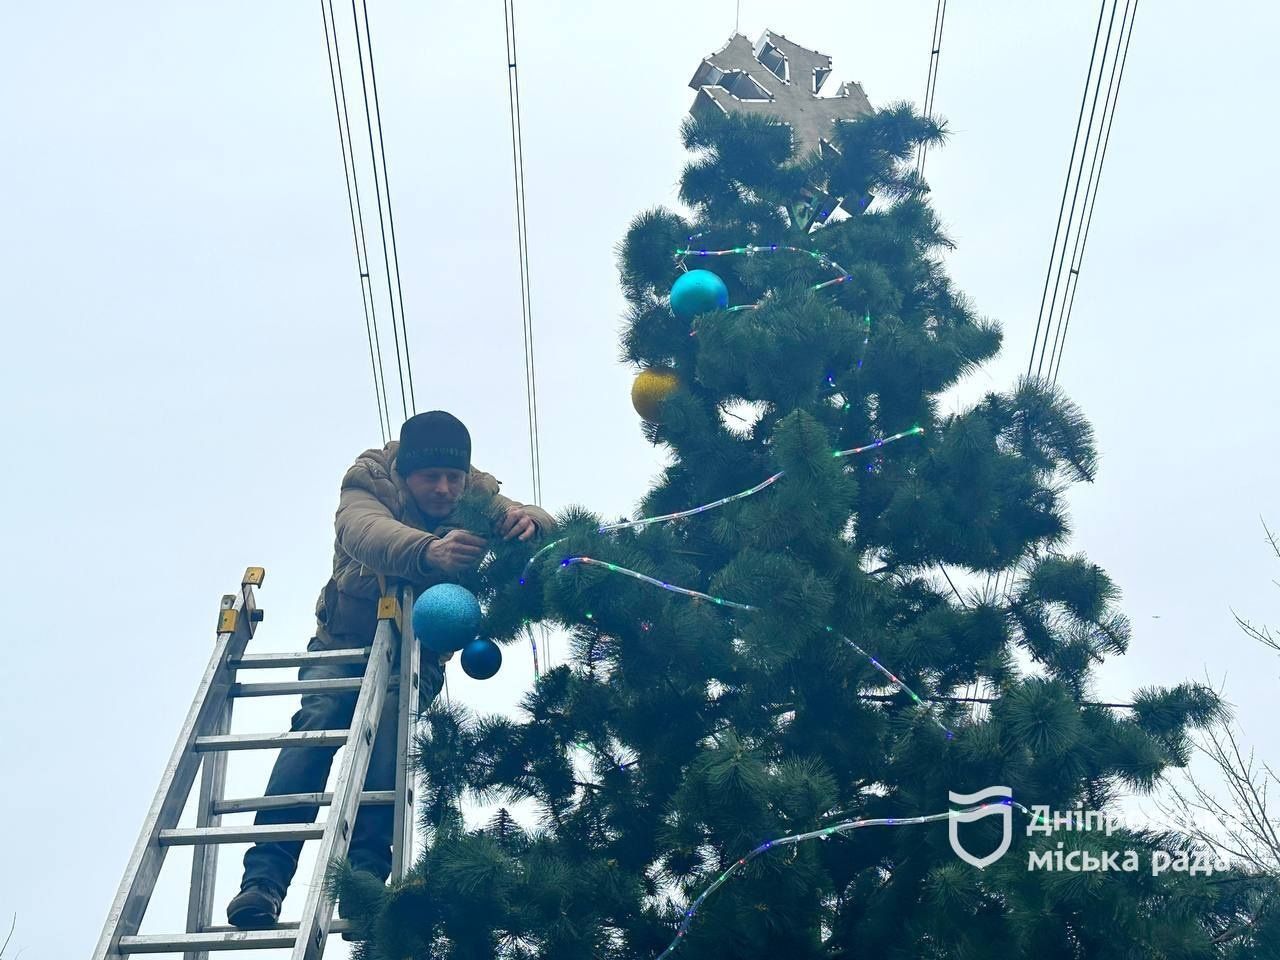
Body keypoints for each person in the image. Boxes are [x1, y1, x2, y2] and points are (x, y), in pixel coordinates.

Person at [227, 410, 553, 929]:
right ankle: (263, 880)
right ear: (405, 472)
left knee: (389, 752)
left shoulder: (477, 495)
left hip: (418, 655)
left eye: (454, 477)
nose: (445, 489)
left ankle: (364, 879)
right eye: (431, 478)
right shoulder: (368, 482)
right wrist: (430, 552)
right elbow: (364, 532)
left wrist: (531, 521)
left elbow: (532, 514)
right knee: (314, 733)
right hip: (344, 643)